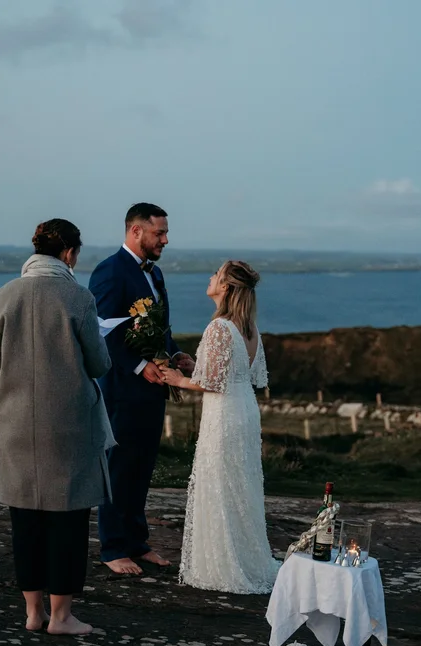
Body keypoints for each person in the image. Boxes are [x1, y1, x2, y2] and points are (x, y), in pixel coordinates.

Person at [0, 218, 113, 635]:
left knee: (25, 519)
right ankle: (61, 617)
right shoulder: (77, 297)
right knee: (67, 520)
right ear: (70, 254)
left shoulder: (2, 297)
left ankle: (32, 613)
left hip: (15, 423)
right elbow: (98, 363)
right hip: (68, 426)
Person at [161, 260, 281, 593]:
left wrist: (179, 379)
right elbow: (241, 376)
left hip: (224, 415)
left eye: (215, 274)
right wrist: (197, 366)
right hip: (244, 410)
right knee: (238, 485)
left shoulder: (219, 327)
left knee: (220, 483)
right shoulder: (249, 328)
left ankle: (223, 566)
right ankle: (246, 556)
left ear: (226, 287)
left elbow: (212, 383)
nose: (210, 277)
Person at [90, 203, 194, 575]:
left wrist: (175, 353)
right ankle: (112, 547)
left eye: (165, 233)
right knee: (118, 468)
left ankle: (137, 541)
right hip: (121, 388)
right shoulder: (109, 271)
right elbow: (101, 332)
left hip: (154, 389)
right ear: (136, 232)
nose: (165, 240)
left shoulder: (156, 273)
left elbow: (159, 326)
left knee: (142, 467)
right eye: (159, 233)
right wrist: (138, 366)